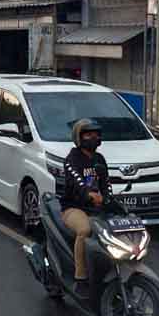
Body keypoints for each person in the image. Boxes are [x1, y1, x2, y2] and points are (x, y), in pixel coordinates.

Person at [61, 118, 112, 298]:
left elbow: (106, 184)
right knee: (84, 230)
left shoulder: (100, 159)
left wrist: (108, 199)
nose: (94, 137)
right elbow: (77, 182)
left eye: (96, 133)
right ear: (79, 137)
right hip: (73, 208)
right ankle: (80, 278)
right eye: (88, 134)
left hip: (95, 209)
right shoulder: (72, 159)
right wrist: (89, 195)